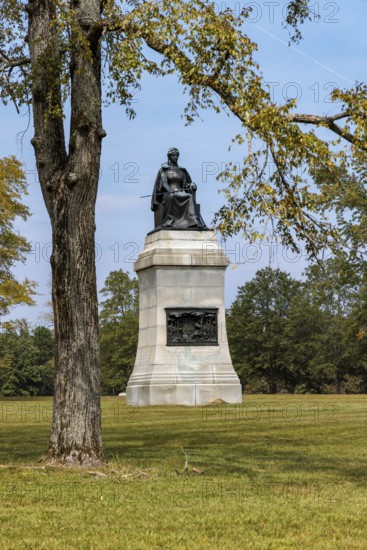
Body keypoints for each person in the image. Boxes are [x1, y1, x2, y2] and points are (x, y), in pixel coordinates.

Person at [151, 147, 207, 229]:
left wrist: (191, 185)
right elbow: (164, 183)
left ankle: (194, 221)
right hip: (168, 193)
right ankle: (169, 221)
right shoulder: (163, 170)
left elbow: (186, 184)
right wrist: (170, 191)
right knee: (172, 197)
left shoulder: (182, 170)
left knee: (189, 196)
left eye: (177, 155)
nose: (176, 157)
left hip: (181, 192)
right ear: (169, 157)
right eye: (173, 155)